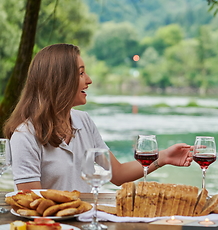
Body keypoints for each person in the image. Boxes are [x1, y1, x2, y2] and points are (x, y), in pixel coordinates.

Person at [3, 43, 192, 192]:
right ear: (59, 81)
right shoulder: (25, 135)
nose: (89, 80)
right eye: (81, 73)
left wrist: (164, 156)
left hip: (87, 220)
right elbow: (32, 202)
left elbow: (117, 174)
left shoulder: (83, 121)